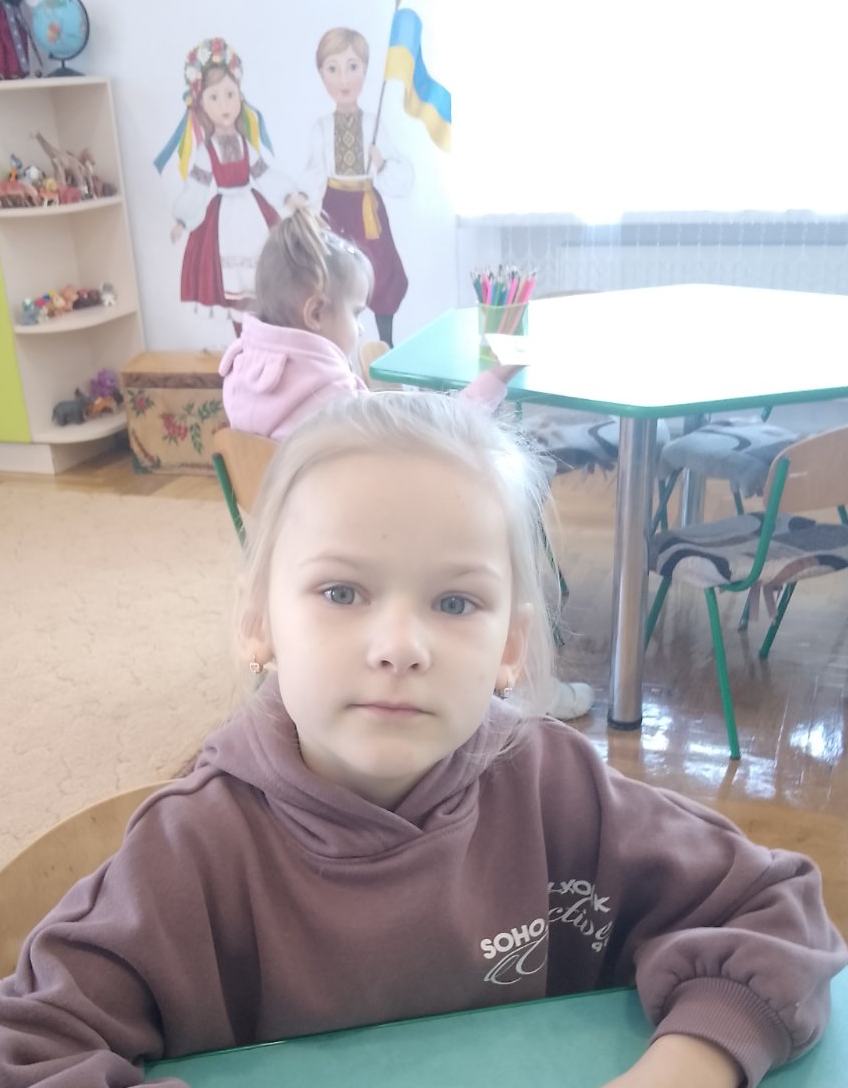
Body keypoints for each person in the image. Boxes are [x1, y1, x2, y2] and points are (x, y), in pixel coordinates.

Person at [0, 391, 846, 1088]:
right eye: (341, 592)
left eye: (455, 603)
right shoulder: (193, 846)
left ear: (508, 647)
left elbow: (772, 905)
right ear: (258, 621)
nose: (399, 644)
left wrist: (680, 1084)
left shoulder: (552, 782)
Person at [220, 209, 595, 722]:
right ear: (316, 312)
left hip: (294, 539)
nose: (359, 327)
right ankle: (530, 687)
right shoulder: (328, 395)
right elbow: (434, 448)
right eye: (356, 313)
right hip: (377, 525)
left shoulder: (243, 370)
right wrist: (494, 379)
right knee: (491, 515)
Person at [158, 37, 302, 326]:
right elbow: (197, 188)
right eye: (214, 97)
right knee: (235, 287)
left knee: (264, 279)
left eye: (230, 94)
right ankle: (244, 342)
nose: (224, 104)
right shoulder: (206, 151)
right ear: (201, 104)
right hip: (224, 223)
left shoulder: (245, 144)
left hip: (254, 213)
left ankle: (264, 338)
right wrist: (182, 221)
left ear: (240, 95)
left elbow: (263, 173)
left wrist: (290, 197)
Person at [302, 27, 413, 346]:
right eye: (333, 69)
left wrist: (383, 164)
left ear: (365, 70)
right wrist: (304, 206)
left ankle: (386, 344)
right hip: (334, 210)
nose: (344, 79)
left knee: (382, 274)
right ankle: (341, 347)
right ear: (321, 74)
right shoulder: (322, 127)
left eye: (352, 67)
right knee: (337, 277)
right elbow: (314, 173)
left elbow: (403, 175)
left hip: (367, 210)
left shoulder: (372, 123)